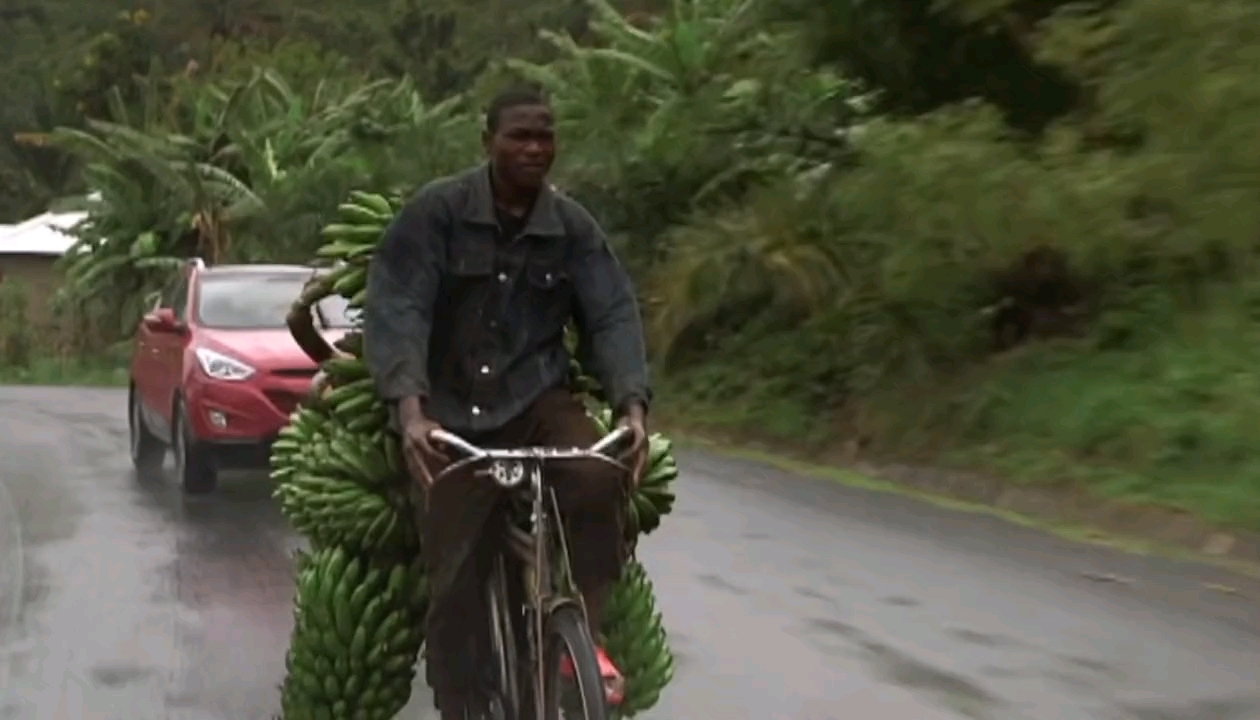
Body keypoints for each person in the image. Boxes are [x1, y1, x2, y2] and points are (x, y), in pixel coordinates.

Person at [362, 87, 651, 720]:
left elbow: (611, 313)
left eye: (545, 136)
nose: (534, 148)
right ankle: (462, 702)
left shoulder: (571, 228)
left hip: (536, 400)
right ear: (487, 139)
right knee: (456, 580)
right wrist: (411, 413)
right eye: (519, 135)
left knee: (598, 479)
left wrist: (632, 407)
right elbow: (399, 307)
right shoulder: (436, 214)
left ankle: (580, 640)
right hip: (451, 416)